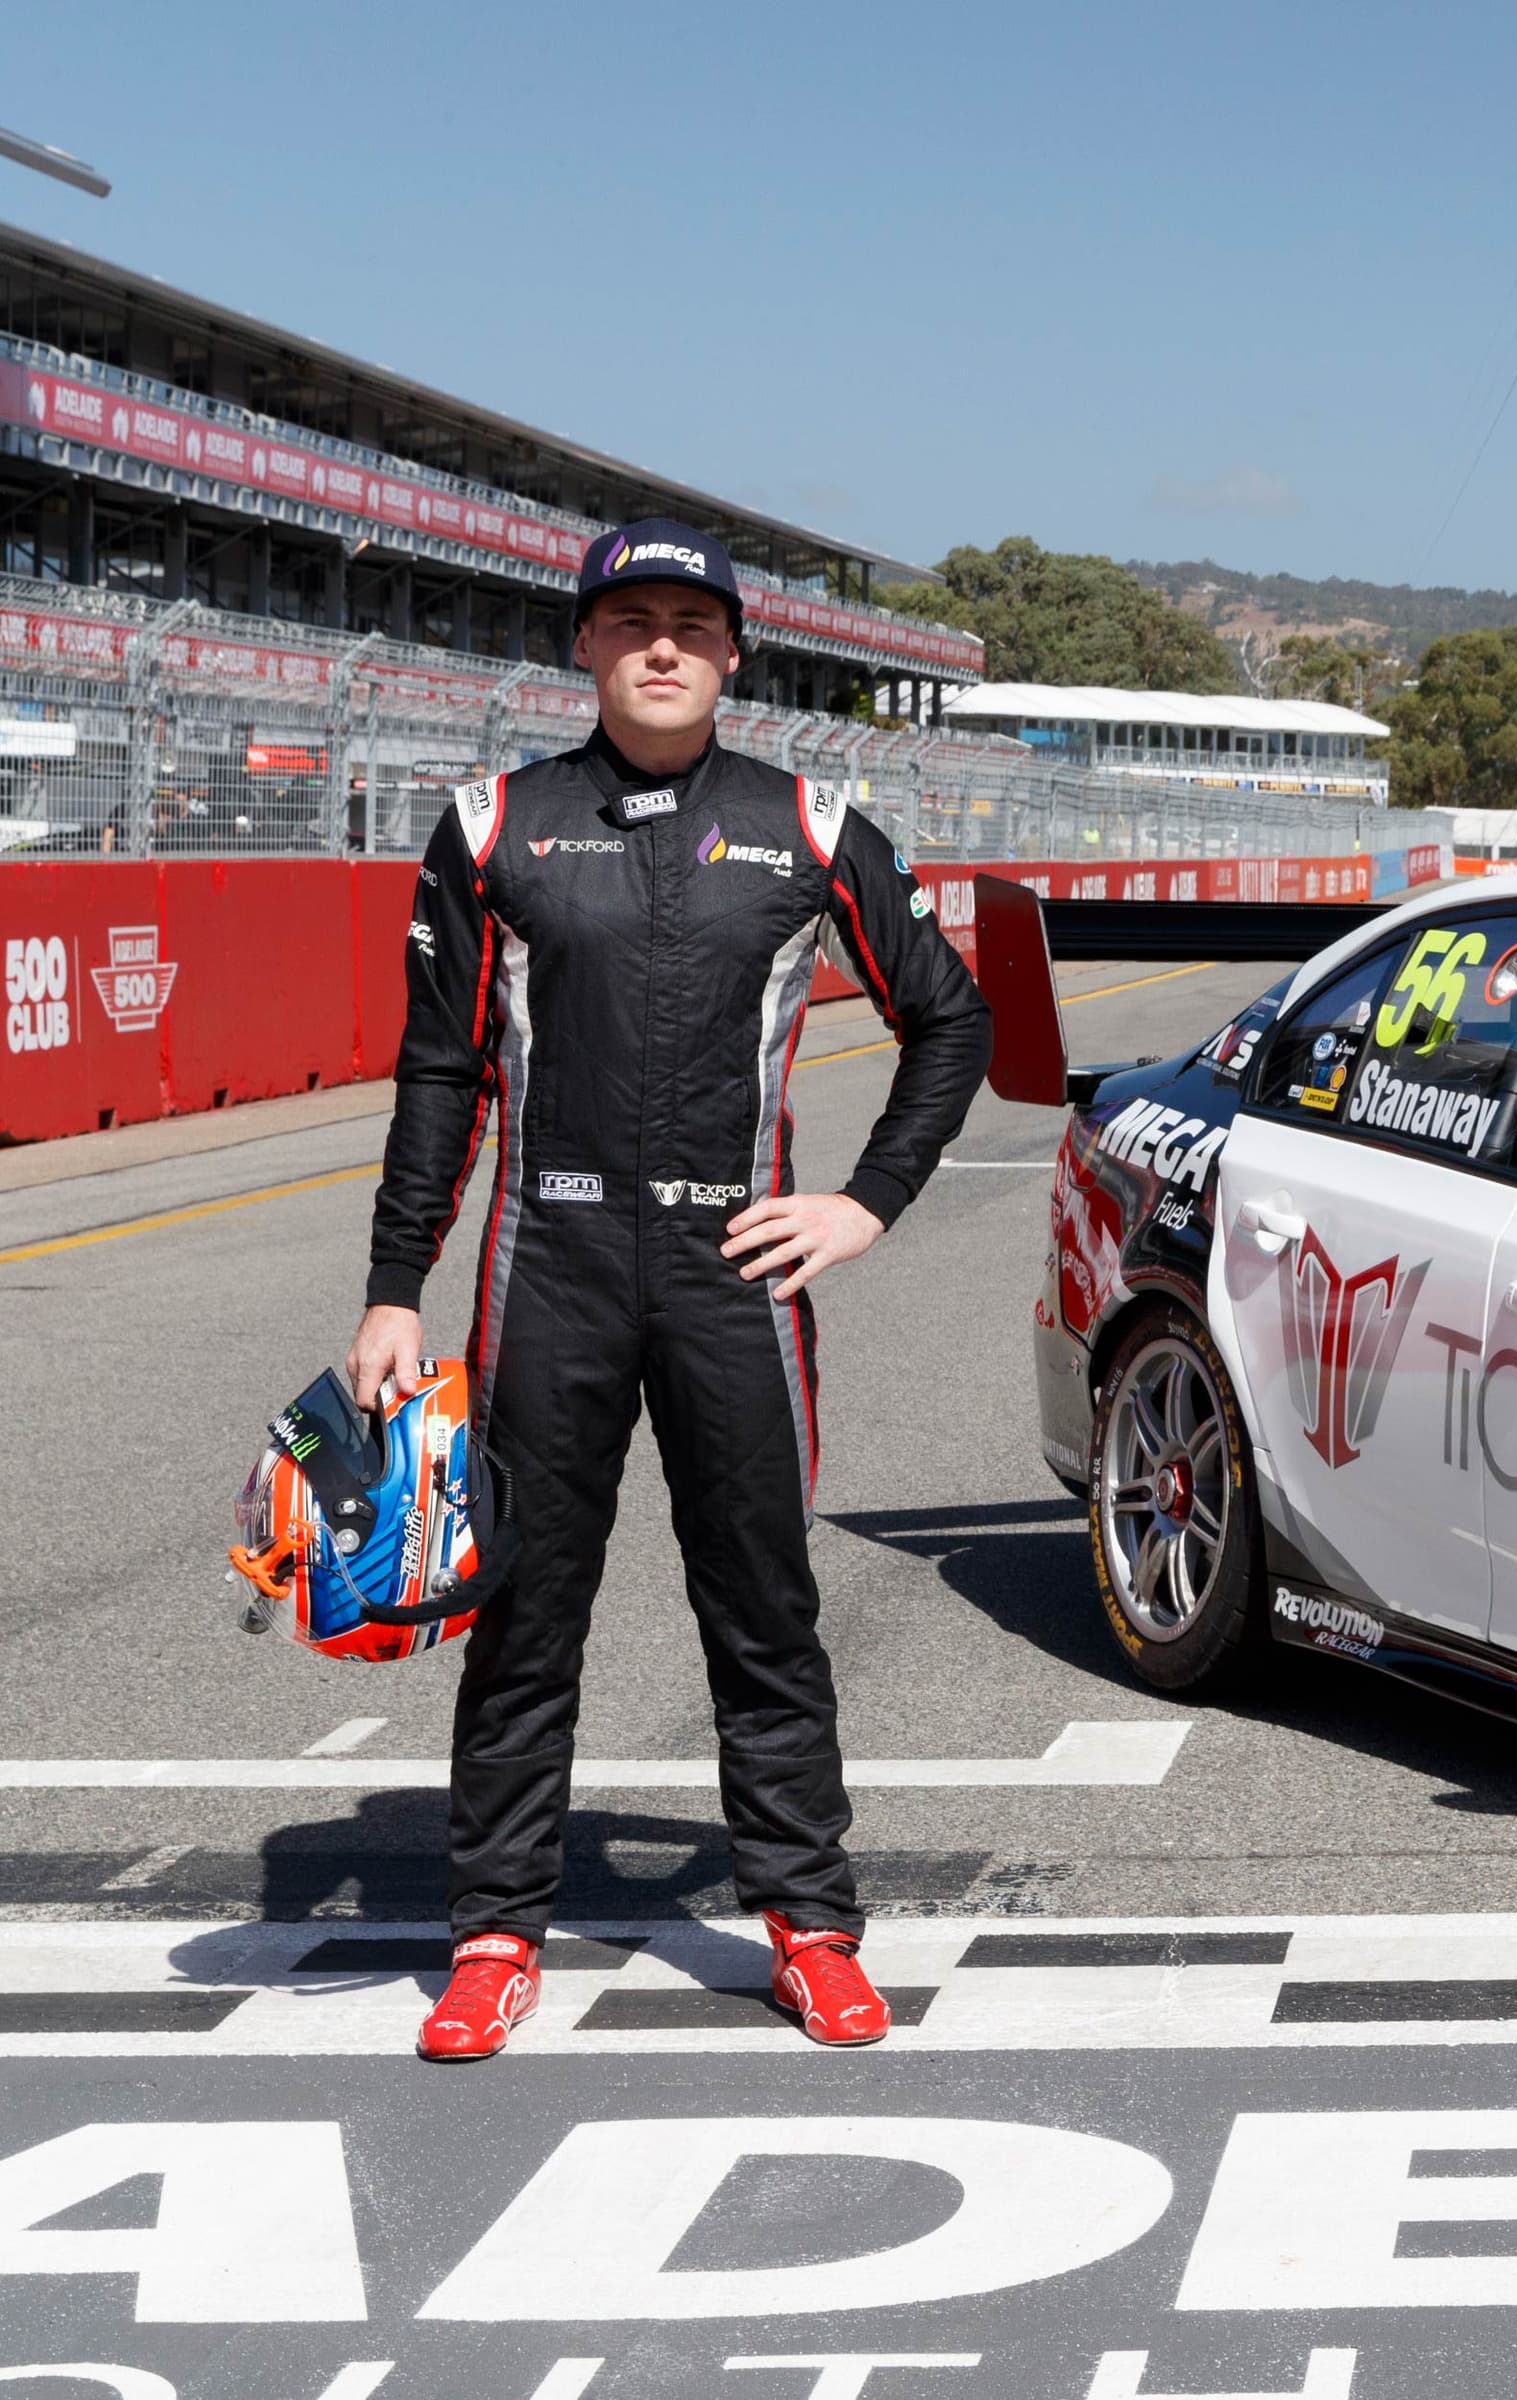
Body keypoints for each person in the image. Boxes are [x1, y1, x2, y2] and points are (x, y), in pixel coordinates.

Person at [346, 517, 990, 2062]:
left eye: (690, 628)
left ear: (732, 656)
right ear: (581, 642)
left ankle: (810, 1928)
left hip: (734, 1274)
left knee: (762, 1606)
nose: (659, 647)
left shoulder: (810, 824)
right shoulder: (492, 822)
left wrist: (863, 1203)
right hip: (544, 1264)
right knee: (522, 1612)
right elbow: (443, 1070)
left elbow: (951, 1022)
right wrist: (390, 1289)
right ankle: (496, 1933)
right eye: (629, 620)